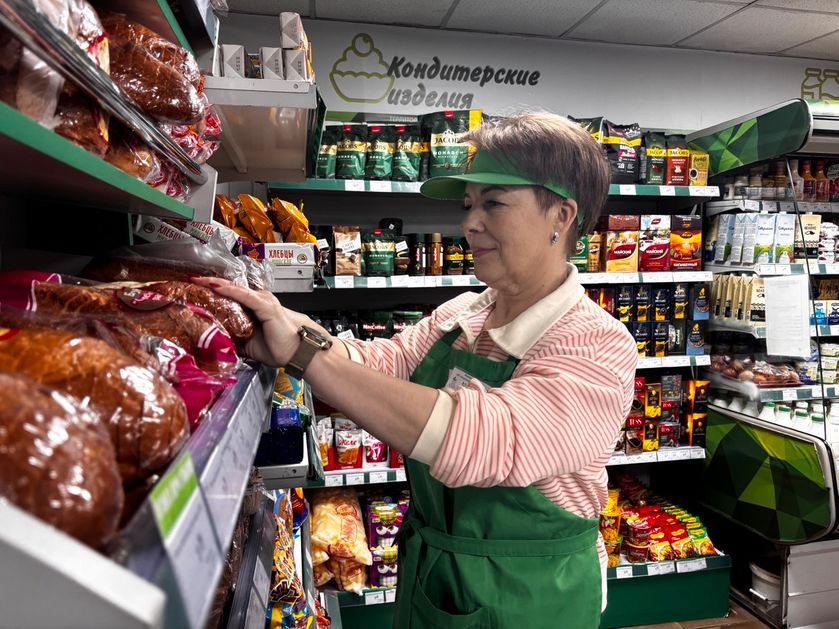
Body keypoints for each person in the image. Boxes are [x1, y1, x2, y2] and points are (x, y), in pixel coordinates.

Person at [195, 112, 637, 628]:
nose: (469, 224)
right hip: (434, 574)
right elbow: (385, 361)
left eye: (494, 203)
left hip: (531, 593)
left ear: (561, 215)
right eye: (468, 204)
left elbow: (485, 438)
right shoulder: (463, 313)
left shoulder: (596, 344)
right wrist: (287, 324)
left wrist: (304, 353)